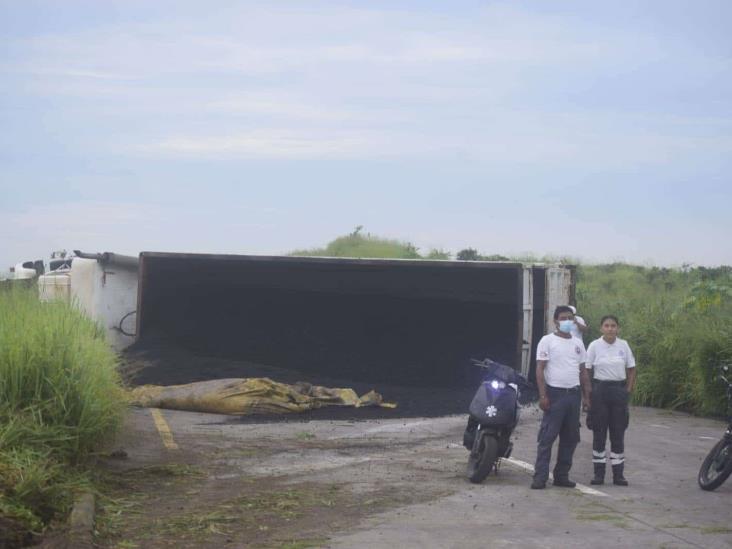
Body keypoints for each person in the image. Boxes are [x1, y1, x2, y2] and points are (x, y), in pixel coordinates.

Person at [531, 305, 591, 489]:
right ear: (555, 321)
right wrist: (542, 395)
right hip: (554, 394)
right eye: (563, 318)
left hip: (573, 395)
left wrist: (586, 397)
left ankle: (561, 475)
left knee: (571, 438)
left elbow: (583, 372)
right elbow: (540, 369)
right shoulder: (547, 341)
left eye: (570, 318)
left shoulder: (578, 343)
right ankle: (540, 477)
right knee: (547, 437)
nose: (567, 321)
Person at [585, 315, 636, 486]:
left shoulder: (624, 345)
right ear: (601, 328)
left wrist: (627, 391)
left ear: (618, 328)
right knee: (599, 434)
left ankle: (618, 475)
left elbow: (631, 369)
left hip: (618, 391)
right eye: (606, 325)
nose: (610, 329)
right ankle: (599, 474)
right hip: (600, 391)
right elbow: (586, 371)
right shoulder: (594, 346)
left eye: (613, 326)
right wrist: (589, 394)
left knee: (618, 433)